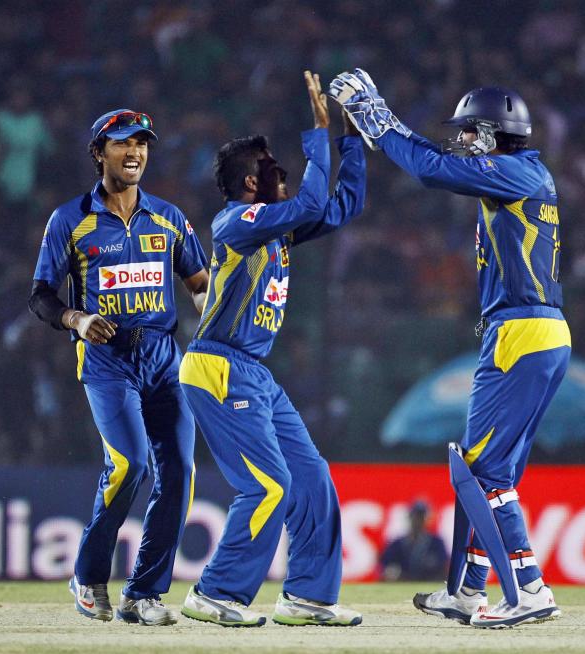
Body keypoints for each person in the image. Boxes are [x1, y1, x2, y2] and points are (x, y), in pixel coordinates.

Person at [329, 69, 570, 628]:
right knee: (487, 469)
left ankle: (529, 588)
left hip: (521, 333)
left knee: (482, 473)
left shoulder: (515, 170)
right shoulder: (522, 173)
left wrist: (374, 116)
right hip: (536, 331)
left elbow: (431, 169)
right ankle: (465, 591)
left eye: (469, 131)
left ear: (491, 133)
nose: (460, 141)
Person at [178, 71, 365, 628]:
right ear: (251, 183)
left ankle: (307, 596)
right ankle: (214, 594)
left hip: (254, 373)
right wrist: (319, 131)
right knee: (267, 485)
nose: (281, 171)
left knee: (312, 480)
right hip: (216, 366)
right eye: (272, 167)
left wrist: (350, 139)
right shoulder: (237, 222)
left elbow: (342, 206)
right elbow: (310, 201)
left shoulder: (276, 228)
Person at [28, 109, 209, 626]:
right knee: (130, 464)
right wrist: (76, 318)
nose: (135, 153)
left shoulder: (169, 217)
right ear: (98, 153)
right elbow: (40, 295)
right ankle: (87, 577)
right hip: (107, 361)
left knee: (179, 471)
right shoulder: (71, 219)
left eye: (142, 144)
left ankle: (144, 594)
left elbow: (199, 284)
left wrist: (213, 318)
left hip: (165, 358)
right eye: (122, 143)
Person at [379, 500, 449, 581]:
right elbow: (385, 565)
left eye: (421, 517)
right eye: (415, 516)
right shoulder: (397, 544)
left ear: (427, 519)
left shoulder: (436, 543)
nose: (418, 520)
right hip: (402, 584)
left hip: (428, 584)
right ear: (410, 517)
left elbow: (443, 567)